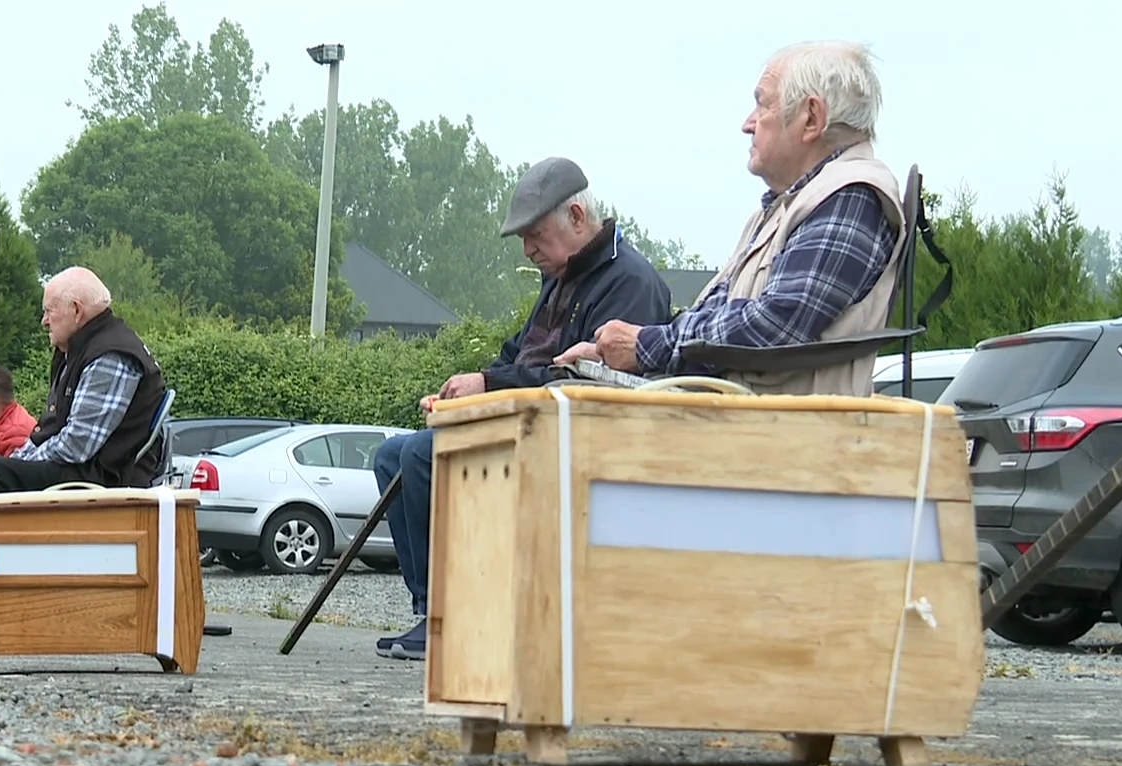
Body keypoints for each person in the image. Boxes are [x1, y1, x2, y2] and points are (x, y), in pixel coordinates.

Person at [369, 159, 675, 661]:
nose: (528, 250)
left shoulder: (630, 282)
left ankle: (456, 617)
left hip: (574, 443)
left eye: (535, 235)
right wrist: (468, 389)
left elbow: (577, 378)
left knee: (423, 455)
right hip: (527, 422)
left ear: (577, 217)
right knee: (392, 455)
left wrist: (488, 384)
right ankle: (431, 609)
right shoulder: (560, 275)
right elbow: (520, 353)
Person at [583, 40, 905, 397]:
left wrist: (645, 347)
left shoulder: (851, 196)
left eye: (762, 104)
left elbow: (775, 324)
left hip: (789, 441)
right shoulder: (782, 209)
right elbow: (715, 319)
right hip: (750, 431)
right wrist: (605, 358)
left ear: (811, 118)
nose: (747, 124)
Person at [0, 267, 168, 497]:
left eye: (49, 311)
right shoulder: (76, 352)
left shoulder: (110, 356)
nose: (44, 321)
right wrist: (16, 460)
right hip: (78, 469)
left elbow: (78, 445)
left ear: (76, 310)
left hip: (100, 478)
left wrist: (16, 463)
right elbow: (51, 430)